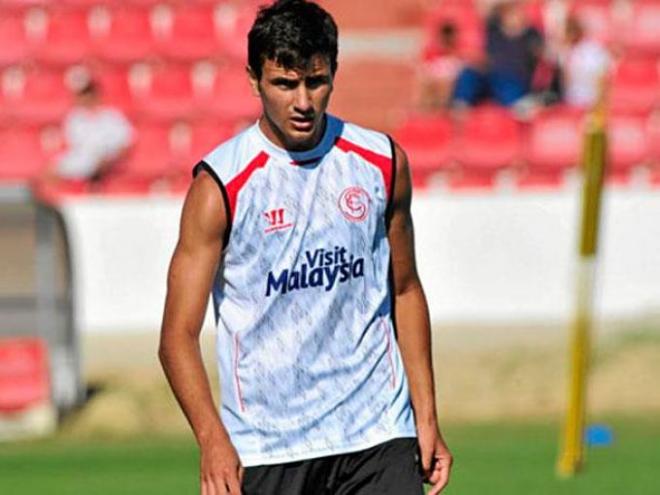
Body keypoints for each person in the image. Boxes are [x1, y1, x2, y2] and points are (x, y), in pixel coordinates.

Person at [159, 1, 452, 494]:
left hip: (377, 434)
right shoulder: (221, 187)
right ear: (255, 79)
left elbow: (404, 290)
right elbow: (177, 337)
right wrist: (212, 439)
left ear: (334, 73)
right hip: (269, 448)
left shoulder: (380, 163)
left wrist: (425, 415)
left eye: (315, 81)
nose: (303, 102)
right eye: (284, 83)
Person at [453, 0, 543, 107]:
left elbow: (542, 58)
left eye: (515, 10)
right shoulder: (494, 28)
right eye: (508, 11)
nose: (512, 15)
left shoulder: (532, 34)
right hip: (490, 75)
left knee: (506, 84)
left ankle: (518, 106)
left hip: (513, 80)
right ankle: (460, 106)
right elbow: (482, 8)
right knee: (470, 72)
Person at [45, 77, 134, 184]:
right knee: (50, 172)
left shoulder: (112, 117)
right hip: (83, 159)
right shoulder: (74, 118)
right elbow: (74, 147)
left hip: (108, 160)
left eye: (87, 94)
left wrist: (110, 159)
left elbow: (126, 145)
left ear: (94, 95)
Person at [559, 15, 610, 108]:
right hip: (570, 100)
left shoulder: (593, 50)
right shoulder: (565, 51)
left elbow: (603, 76)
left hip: (590, 100)